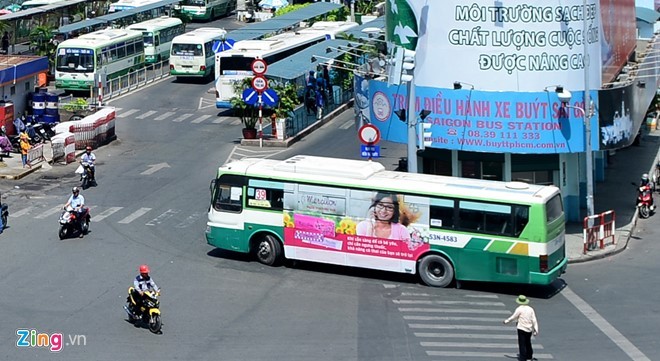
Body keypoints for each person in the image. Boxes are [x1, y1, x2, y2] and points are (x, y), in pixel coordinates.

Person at [503, 295, 539, 361]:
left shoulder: (519, 309)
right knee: (528, 342)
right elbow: (534, 319)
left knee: (522, 343)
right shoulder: (530, 309)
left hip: (521, 328)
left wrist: (506, 321)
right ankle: (529, 356)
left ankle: (523, 358)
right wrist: (536, 329)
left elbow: (513, 317)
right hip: (529, 329)